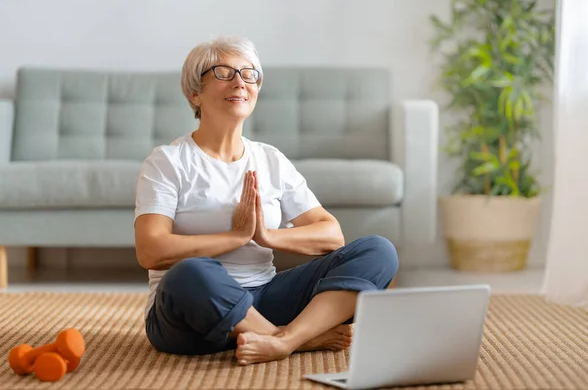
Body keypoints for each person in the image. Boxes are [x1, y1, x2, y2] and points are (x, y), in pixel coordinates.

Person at [134, 35, 399, 366]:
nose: (240, 82)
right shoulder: (168, 161)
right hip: (187, 314)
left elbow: (331, 234)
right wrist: (235, 237)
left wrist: (267, 236)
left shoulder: (271, 160)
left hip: (262, 298)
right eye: (224, 72)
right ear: (194, 93)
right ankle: (298, 338)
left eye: (249, 74)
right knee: (189, 273)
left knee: (378, 250)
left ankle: (283, 339)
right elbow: (151, 251)